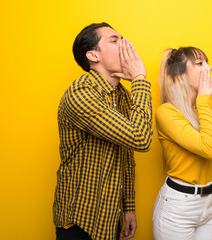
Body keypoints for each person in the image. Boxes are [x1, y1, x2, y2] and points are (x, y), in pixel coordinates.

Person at [53, 22, 153, 240]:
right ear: (93, 56)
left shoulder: (122, 95)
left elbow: (126, 155)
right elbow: (140, 139)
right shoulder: (81, 95)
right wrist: (139, 78)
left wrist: (128, 207)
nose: (125, 44)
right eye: (114, 40)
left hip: (109, 219)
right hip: (80, 223)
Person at [153, 47, 212, 240]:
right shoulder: (166, 112)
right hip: (179, 208)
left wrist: (211, 207)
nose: (208, 67)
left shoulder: (200, 109)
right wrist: (203, 99)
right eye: (200, 63)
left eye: (207, 62)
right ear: (180, 74)